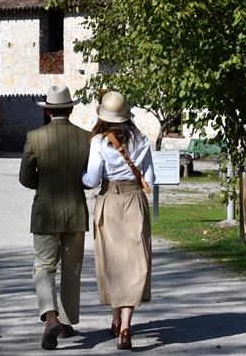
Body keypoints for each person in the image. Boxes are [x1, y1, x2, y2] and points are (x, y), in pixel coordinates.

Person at [19, 85, 91, 350]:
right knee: (71, 268)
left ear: (48, 111)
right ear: (70, 109)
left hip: (45, 211)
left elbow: (25, 177)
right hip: (75, 211)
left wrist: (44, 185)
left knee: (44, 267)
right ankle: (67, 321)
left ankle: (50, 316)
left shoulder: (34, 137)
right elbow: (90, 178)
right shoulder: (86, 137)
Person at [82, 91, 155, 351]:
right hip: (135, 199)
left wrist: (79, 178)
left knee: (111, 260)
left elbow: (91, 180)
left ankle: (115, 321)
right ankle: (126, 325)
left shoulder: (99, 142)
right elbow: (151, 179)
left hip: (109, 198)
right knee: (136, 261)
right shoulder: (142, 140)